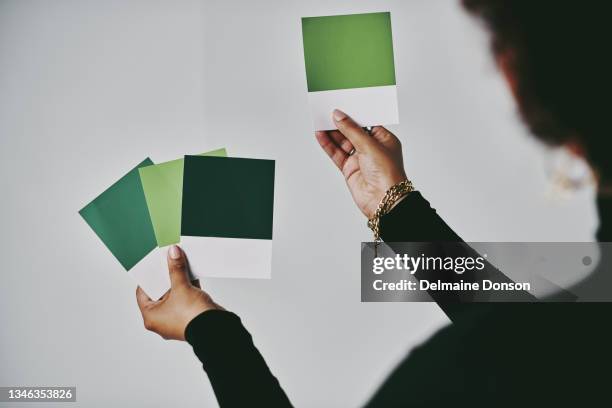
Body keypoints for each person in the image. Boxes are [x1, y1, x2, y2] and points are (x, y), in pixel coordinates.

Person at [136, 1, 612, 406]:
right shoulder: (561, 348)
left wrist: (212, 333)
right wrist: (395, 205)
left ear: (517, 80)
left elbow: (525, 355)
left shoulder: (458, 374)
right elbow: (532, 354)